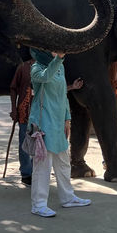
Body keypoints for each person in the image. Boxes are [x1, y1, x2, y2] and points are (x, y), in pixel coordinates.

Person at [28, 48, 91, 217]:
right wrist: (58, 59)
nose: (55, 53)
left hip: (58, 124)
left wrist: (67, 119)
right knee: (43, 166)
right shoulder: (36, 69)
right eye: (51, 51)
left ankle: (68, 198)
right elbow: (46, 77)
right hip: (43, 124)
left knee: (63, 163)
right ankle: (38, 204)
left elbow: (63, 95)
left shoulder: (60, 67)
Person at [10, 59, 34, 186]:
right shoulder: (23, 67)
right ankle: (26, 173)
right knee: (24, 144)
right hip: (24, 112)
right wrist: (14, 109)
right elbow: (13, 88)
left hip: (41, 113)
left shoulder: (47, 67)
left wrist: (72, 87)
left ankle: (36, 172)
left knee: (40, 143)